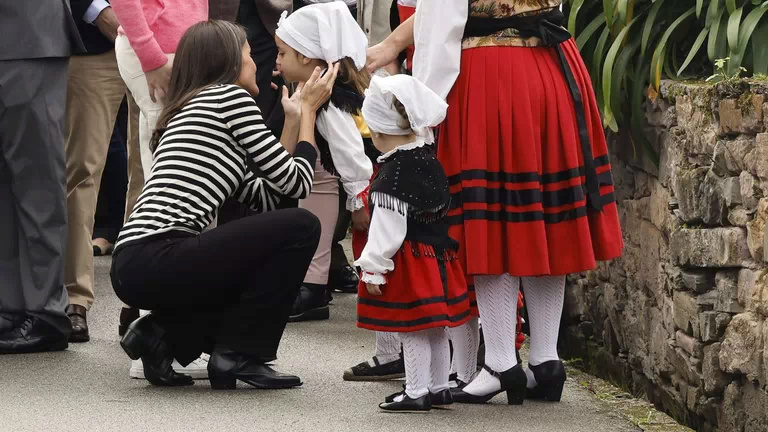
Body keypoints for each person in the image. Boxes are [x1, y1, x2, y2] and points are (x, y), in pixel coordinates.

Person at [368, 0, 624, 404]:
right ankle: (546, 361)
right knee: (541, 217)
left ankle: (501, 362)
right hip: (553, 66)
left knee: (486, 218)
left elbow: (442, 19)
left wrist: (424, 106)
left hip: (490, 73)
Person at [112, 20, 339, 388]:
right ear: (231, 63)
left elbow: (269, 199)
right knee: (304, 226)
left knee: (273, 239)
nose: (256, 64)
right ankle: (237, 355)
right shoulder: (229, 99)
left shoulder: (190, 109)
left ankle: (161, 336)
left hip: (134, 262)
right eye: (250, 55)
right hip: (162, 253)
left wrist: (293, 120)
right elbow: (297, 182)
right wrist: (310, 113)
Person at [356, 74, 470, 412]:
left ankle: (417, 389)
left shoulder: (392, 175)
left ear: (377, 133)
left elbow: (386, 229)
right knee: (435, 327)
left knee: (413, 328)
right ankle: (438, 386)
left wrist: (374, 268)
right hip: (438, 256)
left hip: (410, 260)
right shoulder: (429, 159)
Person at [275, 2, 374, 322]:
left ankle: (315, 286)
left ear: (305, 57)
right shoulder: (314, 88)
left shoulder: (330, 101)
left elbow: (349, 151)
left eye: (282, 54)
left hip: (358, 181)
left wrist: (359, 202)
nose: (276, 62)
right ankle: (313, 280)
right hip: (335, 177)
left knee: (322, 220)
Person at [0, 1, 84, 354]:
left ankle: (46, 311)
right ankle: (11, 307)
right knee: (6, 186)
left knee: (37, 179)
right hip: (22, 37)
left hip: (28, 33)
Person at [64, 0, 142, 343]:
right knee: (81, 170)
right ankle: (73, 298)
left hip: (159, 37)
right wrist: (97, 11)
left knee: (154, 171)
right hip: (93, 43)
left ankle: (143, 298)